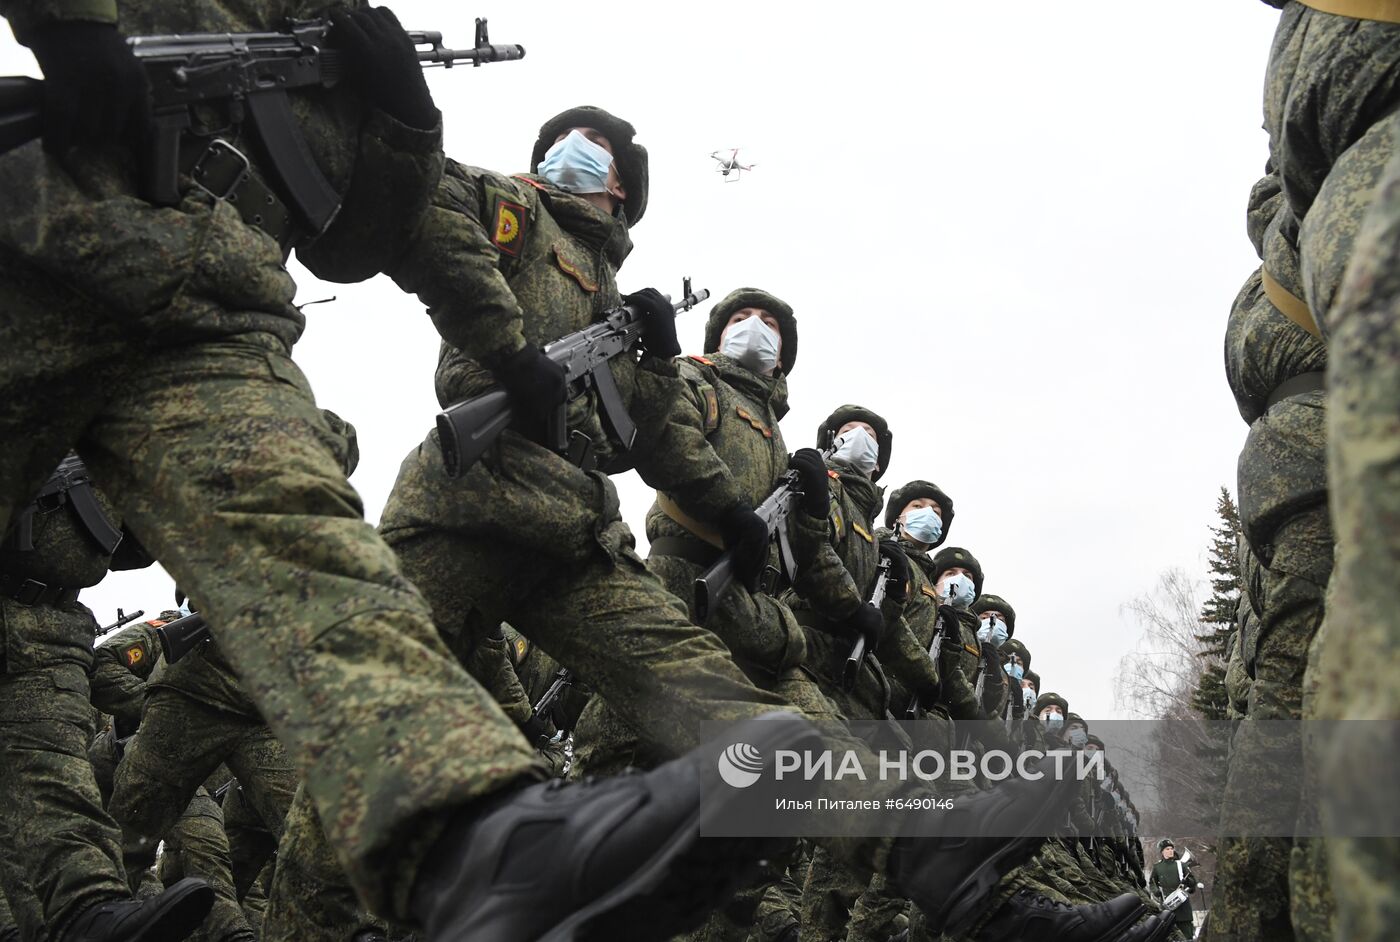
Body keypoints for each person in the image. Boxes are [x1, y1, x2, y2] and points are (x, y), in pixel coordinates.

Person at [0, 7, 812, 939]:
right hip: (51, 219)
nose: (576, 158)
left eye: (598, 152)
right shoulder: (513, 207)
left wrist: (400, 118)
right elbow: (446, 227)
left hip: (214, 289)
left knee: (305, 542)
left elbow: (353, 239)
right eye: (568, 143)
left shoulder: (611, 294)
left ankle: (463, 840)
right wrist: (73, 23)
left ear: (627, 192)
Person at [0, 455, 213, 941]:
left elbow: (128, 542)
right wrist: (153, 706)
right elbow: (109, 667)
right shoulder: (161, 629)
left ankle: (88, 909)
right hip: (121, 729)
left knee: (53, 782)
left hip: (45, 632)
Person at [1148, 840, 1197, 940]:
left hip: (1183, 906)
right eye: (1167, 849)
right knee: (1170, 935)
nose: (1170, 851)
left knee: (1187, 936)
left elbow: (1193, 882)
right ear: (1162, 852)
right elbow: (1152, 882)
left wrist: (1187, 880)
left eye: (1171, 849)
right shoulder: (1157, 867)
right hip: (1167, 904)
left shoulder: (1181, 865)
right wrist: (1156, 891)